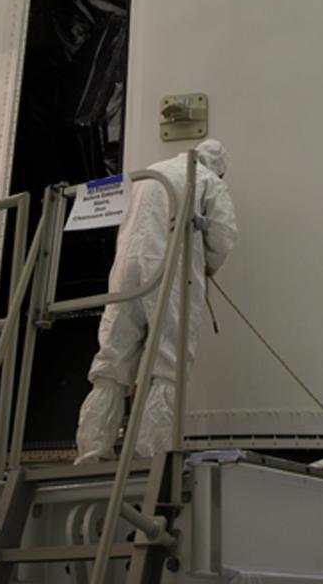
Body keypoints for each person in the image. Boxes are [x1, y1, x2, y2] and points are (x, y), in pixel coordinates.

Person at [75, 139, 238, 463]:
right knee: (168, 362)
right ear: (219, 167)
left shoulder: (149, 173)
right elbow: (222, 235)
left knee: (111, 361)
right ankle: (150, 455)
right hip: (169, 270)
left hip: (125, 271)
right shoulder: (206, 179)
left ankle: (92, 450)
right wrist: (208, 264)